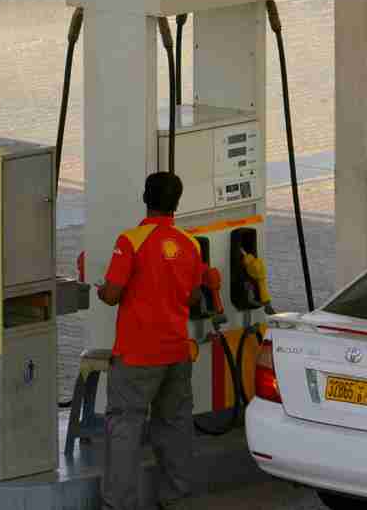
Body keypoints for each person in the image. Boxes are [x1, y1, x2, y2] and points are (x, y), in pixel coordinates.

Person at [97, 172, 206, 510]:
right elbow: (193, 298)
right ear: (177, 203)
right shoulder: (190, 243)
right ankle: (176, 499)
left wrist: (101, 288)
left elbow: (112, 294)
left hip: (136, 356)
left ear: (145, 197)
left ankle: (119, 504)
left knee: (125, 426)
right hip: (176, 351)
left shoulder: (130, 241)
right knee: (174, 426)